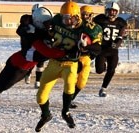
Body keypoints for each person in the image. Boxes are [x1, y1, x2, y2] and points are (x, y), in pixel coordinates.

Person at [0, 6, 57, 131]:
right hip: (18, 64)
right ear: (39, 22)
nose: (48, 26)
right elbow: (27, 35)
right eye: (46, 23)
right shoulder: (32, 33)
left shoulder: (37, 29)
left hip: (24, 65)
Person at [35, 1, 101, 131]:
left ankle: (65, 112)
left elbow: (98, 48)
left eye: (69, 18)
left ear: (77, 16)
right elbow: (47, 30)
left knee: (70, 85)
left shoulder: (88, 27)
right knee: (40, 97)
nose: (66, 20)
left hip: (71, 63)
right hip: (54, 62)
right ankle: (46, 115)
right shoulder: (58, 20)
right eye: (64, 17)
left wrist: (87, 47)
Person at [70, 5, 103, 108]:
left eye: (86, 14)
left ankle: (71, 98)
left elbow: (98, 48)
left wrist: (87, 46)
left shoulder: (95, 28)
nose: (84, 17)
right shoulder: (73, 25)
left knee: (82, 82)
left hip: (85, 57)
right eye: (82, 14)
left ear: (91, 15)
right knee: (72, 80)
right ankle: (68, 100)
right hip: (73, 56)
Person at [93, 1, 127, 97]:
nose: (112, 13)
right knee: (99, 70)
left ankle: (103, 88)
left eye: (114, 11)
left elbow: (121, 36)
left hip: (113, 50)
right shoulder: (100, 19)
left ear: (117, 12)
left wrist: (117, 44)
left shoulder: (121, 22)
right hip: (101, 49)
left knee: (112, 70)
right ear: (106, 11)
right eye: (110, 11)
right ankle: (102, 66)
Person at [19, 3, 47, 88]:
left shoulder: (45, 21)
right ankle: (28, 73)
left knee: (40, 63)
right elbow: (19, 31)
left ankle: (38, 80)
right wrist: (26, 30)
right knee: (31, 60)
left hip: (40, 43)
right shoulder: (27, 19)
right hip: (29, 44)